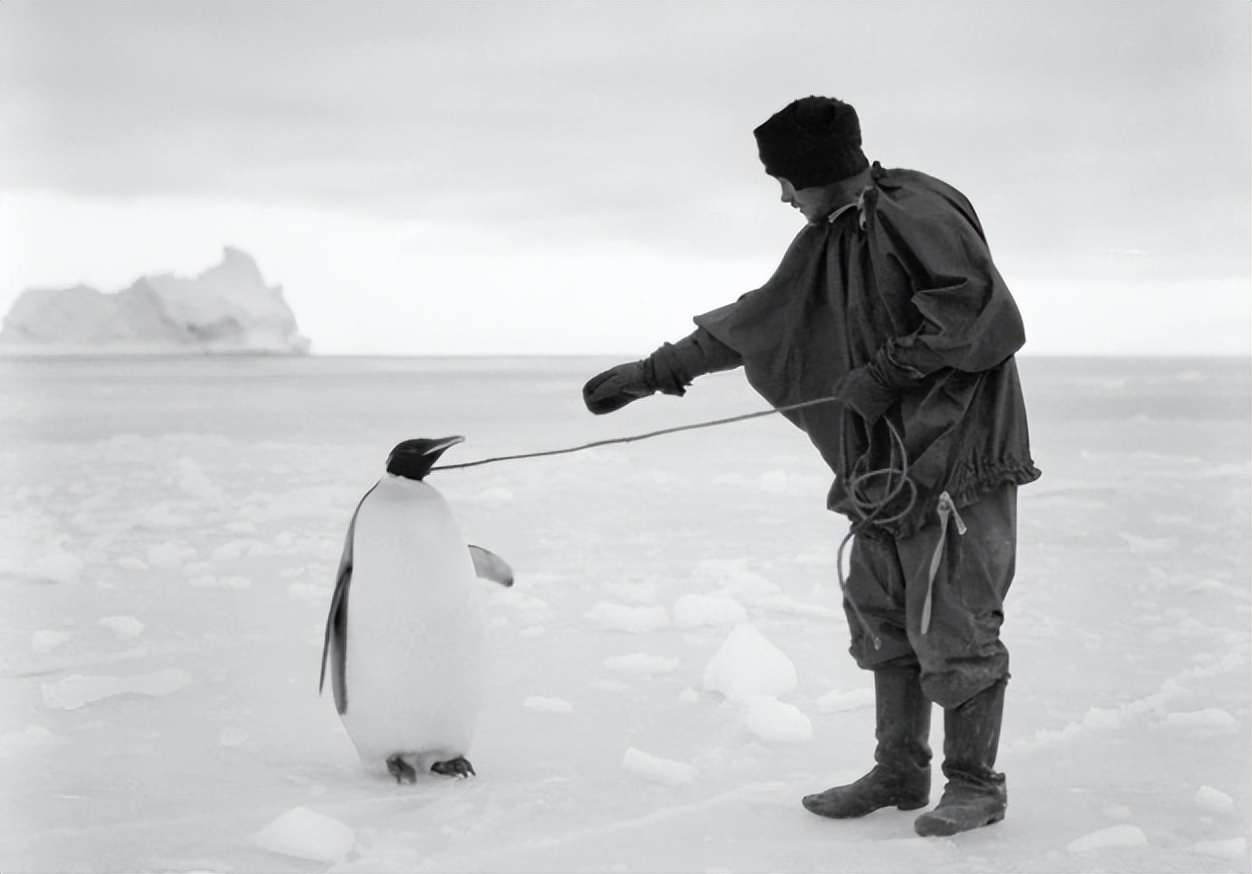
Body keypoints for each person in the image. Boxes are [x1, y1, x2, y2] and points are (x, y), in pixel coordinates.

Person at [582, 96, 1040, 838]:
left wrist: (889, 372)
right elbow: (765, 316)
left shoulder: (917, 211)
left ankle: (976, 784)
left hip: (954, 456)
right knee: (884, 612)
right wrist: (654, 370)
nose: (783, 196)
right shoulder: (830, 237)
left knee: (952, 617)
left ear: (821, 172)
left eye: (789, 181)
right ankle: (899, 770)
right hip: (879, 464)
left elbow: (984, 314)